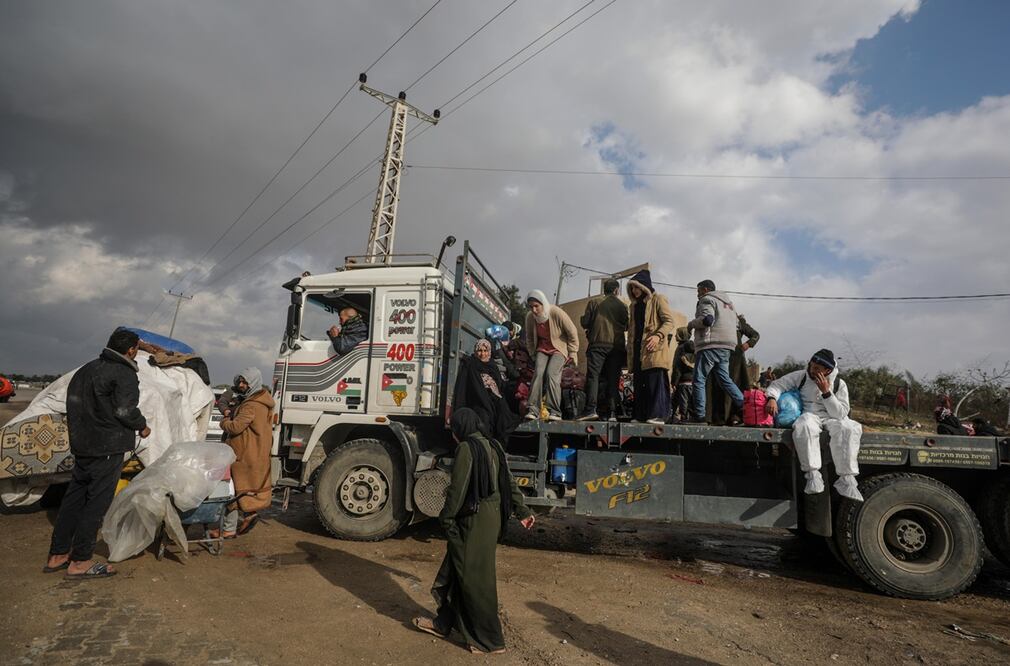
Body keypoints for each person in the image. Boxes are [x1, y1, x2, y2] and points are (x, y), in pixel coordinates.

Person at [412, 408, 535, 654]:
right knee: (459, 570)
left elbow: (457, 490)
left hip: (474, 519)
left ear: (460, 429)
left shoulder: (467, 449)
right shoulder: (494, 446)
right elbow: (508, 482)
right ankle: (442, 623)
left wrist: (446, 519)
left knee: (475, 579)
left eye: (454, 429)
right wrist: (522, 511)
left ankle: (489, 640)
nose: (454, 434)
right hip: (491, 518)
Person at [45, 328, 151, 579]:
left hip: (82, 445)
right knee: (96, 504)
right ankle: (81, 560)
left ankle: (58, 554)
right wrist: (142, 426)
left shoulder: (86, 369)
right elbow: (126, 411)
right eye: (137, 348)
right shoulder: (123, 373)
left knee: (74, 499)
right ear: (131, 350)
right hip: (107, 447)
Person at [765, 349, 863, 501]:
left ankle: (846, 480)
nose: (812, 369)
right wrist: (771, 398)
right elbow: (778, 385)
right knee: (804, 425)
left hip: (832, 417)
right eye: (811, 365)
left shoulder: (839, 384)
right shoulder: (802, 376)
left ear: (828, 370)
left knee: (849, 428)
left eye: (817, 368)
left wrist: (826, 393)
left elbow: (840, 414)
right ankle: (813, 475)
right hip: (810, 415)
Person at [216, 367, 276, 537]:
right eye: (240, 381)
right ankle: (238, 522)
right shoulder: (263, 402)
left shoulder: (250, 405)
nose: (241, 385)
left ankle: (230, 528)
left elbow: (235, 427)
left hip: (243, 454)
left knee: (231, 490)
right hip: (255, 452)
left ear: (253, 383)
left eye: (245, 382)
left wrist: (225, 421)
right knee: (242, 489)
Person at [688, 280, 745, 423]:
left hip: (710, 344)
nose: (697, 294)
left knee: (699, 379)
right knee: (725, 380)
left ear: (705, 289)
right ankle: (745, 406)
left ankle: (699, 415)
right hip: (727, 346)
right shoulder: (729, 305)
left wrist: (691, 324)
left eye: (698, 290)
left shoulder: (707, 299)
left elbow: (708, 320)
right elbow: (738, 325)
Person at [626, 270, 676, 424]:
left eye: (637, 287)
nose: (634, 291)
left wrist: (658, 335)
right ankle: (640, 415)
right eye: (632, 288)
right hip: (638, 350)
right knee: (640, 383)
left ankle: (658, 415)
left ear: (645, 286)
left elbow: (669, 322)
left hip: (654, 348)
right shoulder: (633, 306)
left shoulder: (658, 299)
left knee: (655, 382)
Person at [523, 290, 579, 421]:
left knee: (551, 373)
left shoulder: (555, 312)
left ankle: (555, 411)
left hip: (559, 348)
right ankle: (533, 409)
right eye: (531, 307)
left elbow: (572, 332)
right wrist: (532, 354)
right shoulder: (530, 317)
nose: (534, 310)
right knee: (538, 372)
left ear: (543, 303)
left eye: (537, 306)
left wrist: (573, 352)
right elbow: (530, 338)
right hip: (542, 349)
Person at [578, 278, 629, 421]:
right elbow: (626, 325)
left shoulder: (594, 302)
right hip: (616, 347)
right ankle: (612, 412)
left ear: (604, 289)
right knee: (613, 379)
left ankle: (591, 410)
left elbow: (585, 322)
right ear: (616, 290)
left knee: (593, 377)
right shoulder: (622, 306)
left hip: (597, 345)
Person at [453, 339, 521, 443]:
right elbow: (463, 388)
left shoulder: (492, 366)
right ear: (476, 351)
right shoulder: (470, 364)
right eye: (479, 350)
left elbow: (500, 387)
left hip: (494, 400)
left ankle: (497, 446)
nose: (482, 354)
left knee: (503, 414)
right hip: (478, 401)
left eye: (485, 351)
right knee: (484, 416)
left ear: (489, 352)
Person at [707, 314, 760, 425]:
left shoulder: (738, 323)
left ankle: (735, 416)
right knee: (717, 387)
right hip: (719, 357)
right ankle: (717, 418)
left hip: (735, 361)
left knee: (736, 386)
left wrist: (748, 344)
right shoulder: (718, 322)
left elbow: (755, 335)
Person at [670, 327, 695, 422]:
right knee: (691, 403)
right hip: (692, 381)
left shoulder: (680, 348)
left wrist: (674, 382)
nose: (675, 336)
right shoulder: (693, 351)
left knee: (678, 403)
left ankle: (680, 419)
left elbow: (677, 368)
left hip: (682, 381)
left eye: (677, 334)